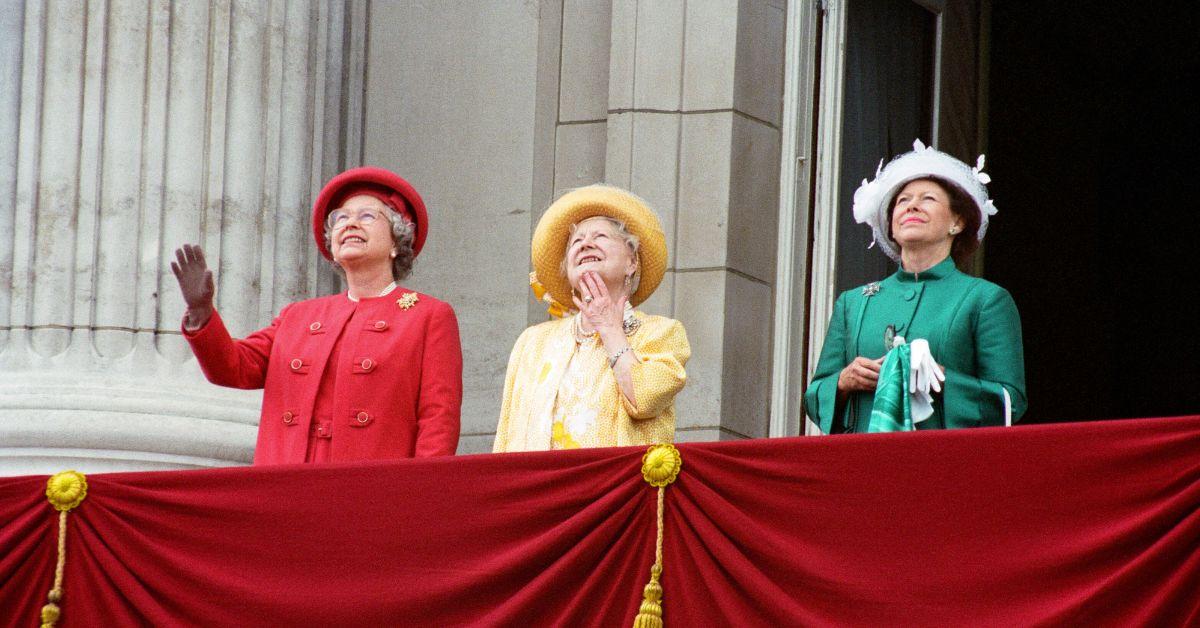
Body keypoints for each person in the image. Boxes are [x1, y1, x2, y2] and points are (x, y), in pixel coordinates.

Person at [172, 167, 462, 463]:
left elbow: (438, 420)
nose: (349, 224)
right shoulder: (298, 316)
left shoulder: (428, 316)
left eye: (367, 216)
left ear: (396, 242)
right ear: (332, 247)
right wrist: (202, 313)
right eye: (340, 218)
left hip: (373, 493)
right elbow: (232, 368)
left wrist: (421, 496)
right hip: (287, 489)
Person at [805, 140, 1026, 433]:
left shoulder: (985, 299)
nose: (912, 206)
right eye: (902, 200)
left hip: (944, 467)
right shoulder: (854, 302)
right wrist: (844, 381)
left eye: (928, 199)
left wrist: (940, 378)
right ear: (892, 227)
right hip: (863, 467)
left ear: (957, 222)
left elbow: (1010, 401)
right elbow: (814, 396)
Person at [493, 185, 690, 452]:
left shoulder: (661, 333)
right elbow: (505, 439)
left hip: (617, 490)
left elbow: (644, 401)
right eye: (577, 241)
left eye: (600, 236)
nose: (585, 243)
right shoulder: (532, 342)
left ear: (632, 262)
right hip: (538, 490)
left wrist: (610, 328)